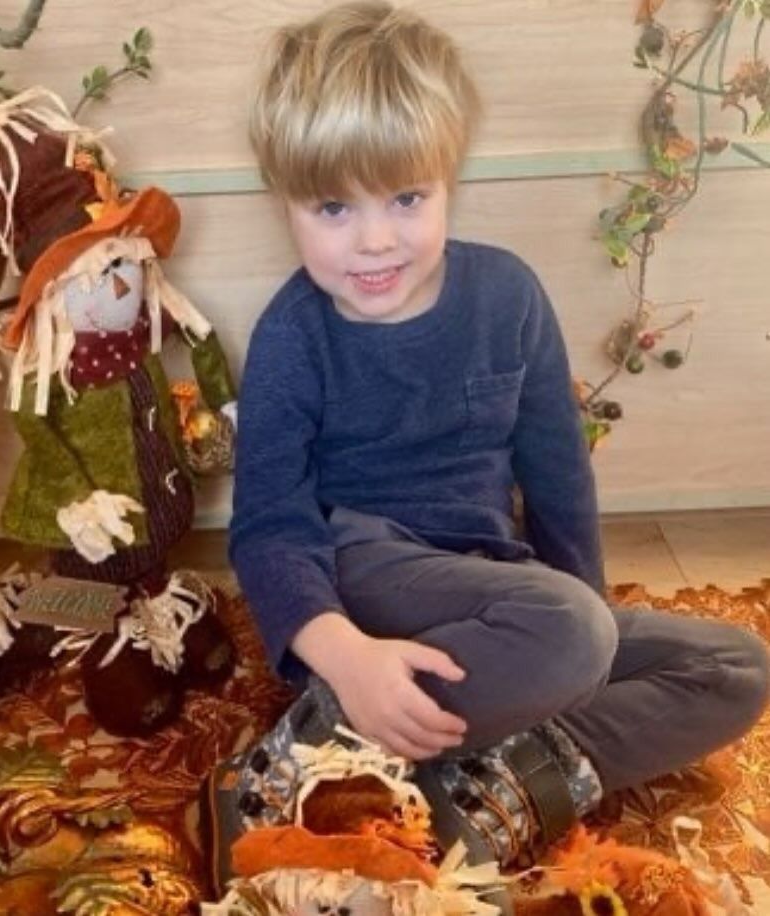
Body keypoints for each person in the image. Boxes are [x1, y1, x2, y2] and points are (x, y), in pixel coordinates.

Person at [202, 1, 770, 907]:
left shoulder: (508, 294)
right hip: (364, 569)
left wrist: (572, 627)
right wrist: (342, 654)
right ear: (286, 203)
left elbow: (555, 473)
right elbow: (269, 523)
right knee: (569, 633)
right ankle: (306, 760)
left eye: (407, 198)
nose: (375, 240)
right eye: (335, 206)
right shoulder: (292, 334)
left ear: (449, 179)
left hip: (494, 585)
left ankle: (499, 783)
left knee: (736, 668)